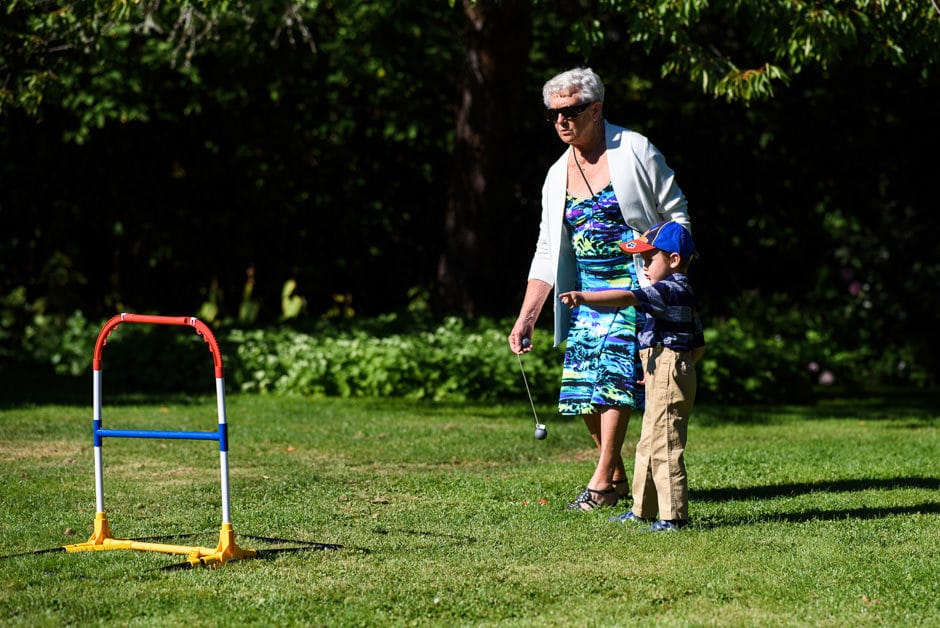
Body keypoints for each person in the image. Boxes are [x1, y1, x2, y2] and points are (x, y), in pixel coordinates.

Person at [508, 67, 691, 512]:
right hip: (585, 292)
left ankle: (600, 481)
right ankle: (615, 477)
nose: (561, 121)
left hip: (634, 284)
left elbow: (677, 214)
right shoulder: (556, 175)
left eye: (570, 111)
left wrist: (665, 279)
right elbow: (547, 249)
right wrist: (528, 316)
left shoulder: (633, 150)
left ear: (596, 109)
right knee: (583, 389)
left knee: (613, 380)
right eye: (553, 115)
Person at [559, 220, 704, 531]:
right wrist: (663, 372)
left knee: (665, 444)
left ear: (674, 260)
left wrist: (584, 298)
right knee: (648, 443)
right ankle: (643, 510)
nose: (645, 266)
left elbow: (627, 297)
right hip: (666, 369)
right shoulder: (684, 293)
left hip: (668, 368)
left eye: (650, 259)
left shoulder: (669, 289)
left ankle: (674, 517)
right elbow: (697, 347)